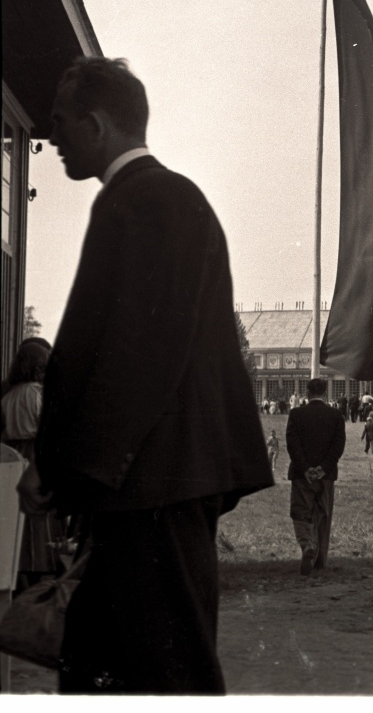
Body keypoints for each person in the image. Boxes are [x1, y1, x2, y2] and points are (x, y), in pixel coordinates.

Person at [17, 57, 273, 694]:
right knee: (125, 669)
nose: (50, 140)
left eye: (60, 124)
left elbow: (134, 360)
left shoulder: (152, 202)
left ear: (98, 125)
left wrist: (61, 470)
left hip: (151, 488)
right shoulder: (155, 201)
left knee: (165, 672)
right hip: (145, 484)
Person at [2, 337, 67, 589]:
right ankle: (44, 573)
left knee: (19, 522)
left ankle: (21, 573)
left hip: (12, 456)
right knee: (42, 521)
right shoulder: (38, 395)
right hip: (35, 455)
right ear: (39, 368)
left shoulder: (8, 397)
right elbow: (50, 429)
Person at [287, 378, 346, 575]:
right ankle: (320, 560)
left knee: (301, 512)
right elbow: (338, 447)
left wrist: (305, 469)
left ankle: (306, 545)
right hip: (326, 475)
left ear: (307, 392)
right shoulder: (336, 415)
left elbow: (292, 445)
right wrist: (322, 469)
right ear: (325, 392)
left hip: (301, 475)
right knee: (323, 515)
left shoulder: (296, 414)